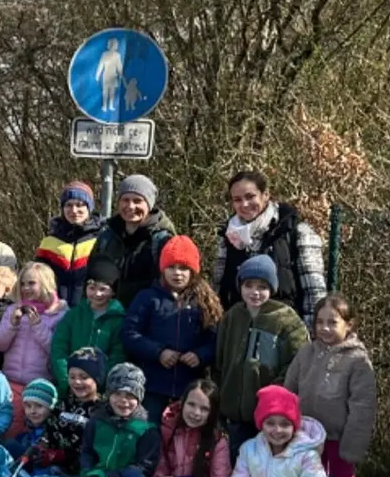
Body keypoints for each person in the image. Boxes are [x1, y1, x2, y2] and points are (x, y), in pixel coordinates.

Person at [284, 294, 376, 477]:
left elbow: (362, 407)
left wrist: (353, 444)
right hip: (305, 436)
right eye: (320, 322)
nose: (324, 328)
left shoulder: (358, 361)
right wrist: (284, 425)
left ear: (349, 325)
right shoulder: (306, 352)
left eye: (332, 322)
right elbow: (289, 389)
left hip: (337, 436)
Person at [214, 255, 309, 459]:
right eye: (249, 285)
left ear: (272, 289)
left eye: (262, 287)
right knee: (236, 463)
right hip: (235, 413)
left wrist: (275, 391)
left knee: (266, 465)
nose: (255, 292)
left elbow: (298, 362)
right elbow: (219, 360)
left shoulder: (286, 320)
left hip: (270, 415)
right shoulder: (231, 317)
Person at [121, 235, 222, 421]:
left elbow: (215, 339)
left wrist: (200, 355)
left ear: (193, 271)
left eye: (184, 268)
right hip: (152, 385)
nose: (177, 273)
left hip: (189, 389)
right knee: (151, 435)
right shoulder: (147, 298)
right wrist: (158, 352)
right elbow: (129, 333)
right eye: (172, 267)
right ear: (162, 269)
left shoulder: (205, 302)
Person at [213, 170, 327, 327]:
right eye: (237, 200)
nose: (244, 204)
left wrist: (310, 337)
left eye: (250, 196)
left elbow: (314, 292)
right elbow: (218, 287)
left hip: (285, 331)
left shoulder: (296, 231)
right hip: (239, 331)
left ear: (265, 195)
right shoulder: (228, 236)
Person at [0, 262, 68, 441]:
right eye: (23, 284)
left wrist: (38, 326)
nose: (26, 288)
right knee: (10, 426)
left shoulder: (60, 314)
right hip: (11, 380)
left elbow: (56, 350)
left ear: (45, 283)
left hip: (40, 383)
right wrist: (12, 325)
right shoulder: (13, 309)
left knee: (32, 431)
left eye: (31, 283)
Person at [88, 174, 176, 308]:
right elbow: (91, 277)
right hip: (107, 318)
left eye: (137, 201)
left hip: (145, 318)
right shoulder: (106, 236)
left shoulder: (162, 240)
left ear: (149, 205)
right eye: (125, 200)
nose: (130, 206)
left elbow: (169, 285)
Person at [49, 258, 127, 394]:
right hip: (69, 387)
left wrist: (97, 382)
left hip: (100, 391)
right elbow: (59, 348)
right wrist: (67, 380)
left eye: (103, 289)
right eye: (92, 288)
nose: (97, 294)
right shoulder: (73, 315)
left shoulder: (119, 320)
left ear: (113, 291)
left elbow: (117, 356)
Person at [35, 180, 104, 306]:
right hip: (54, 309)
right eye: (69, 205)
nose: (74, 210)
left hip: (89, 309)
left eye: (80, 205)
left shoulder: (100, 239)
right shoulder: (49, 242)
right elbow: (38, 279)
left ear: (89, 208)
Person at [50, 347, 109, 475]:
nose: (77, 381)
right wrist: (44, 448)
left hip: (85, 473)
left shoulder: (103, 411)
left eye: (84, 377)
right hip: (54, 466)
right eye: (72, 376)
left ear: (97, 379)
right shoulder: (64, 404)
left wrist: (64, 455)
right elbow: (50, 430)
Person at [3, 379, 71, 473]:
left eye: (39, 406)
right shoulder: (26, 434)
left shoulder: (56, 431)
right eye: (28, 406)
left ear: (51, 407)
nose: (33, 411)